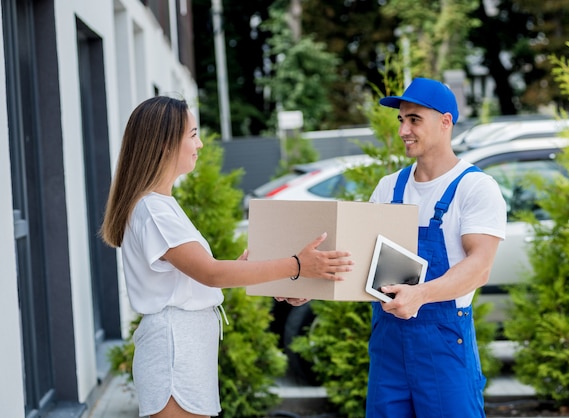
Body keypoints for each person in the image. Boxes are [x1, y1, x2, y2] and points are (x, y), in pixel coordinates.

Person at [99, 96, 353, 418]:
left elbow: (200, 278)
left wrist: (277, 276)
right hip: (174, 349)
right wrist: (298, 265)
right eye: (192, 134)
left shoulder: (161, 205)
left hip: (183, 345)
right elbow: (212, 274)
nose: (200, 144)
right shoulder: (153, 210)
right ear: (165, 144)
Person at [366, 78, 507, 417]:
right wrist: (309, 285)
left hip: (443, 342)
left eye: (414, 119)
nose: (403, 130)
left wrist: (420, 294)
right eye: (401, 120)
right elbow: (362, 258)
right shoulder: (389, 188)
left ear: (446, 122)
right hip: (388, 344)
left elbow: (480, 266)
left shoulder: (474, 188)